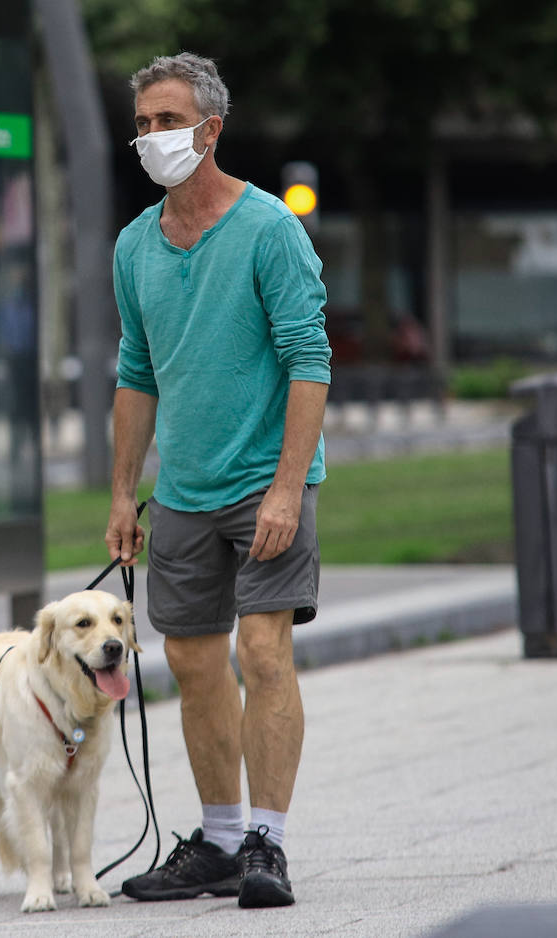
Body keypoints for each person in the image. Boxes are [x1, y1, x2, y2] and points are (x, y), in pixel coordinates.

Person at [105, 53, 331, 910]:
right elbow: (137, 372)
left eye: (167, 122)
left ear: (211, 130)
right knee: (193, 661)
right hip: (186, 491)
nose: (151, 137)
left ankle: (268, 842)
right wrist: (124, 492)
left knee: (263, 650)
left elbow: (309, 362)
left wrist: (284, 489)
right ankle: (222, 840)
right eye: (143, 124)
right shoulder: (136, 245)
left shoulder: (270, 229)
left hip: (266, 483)